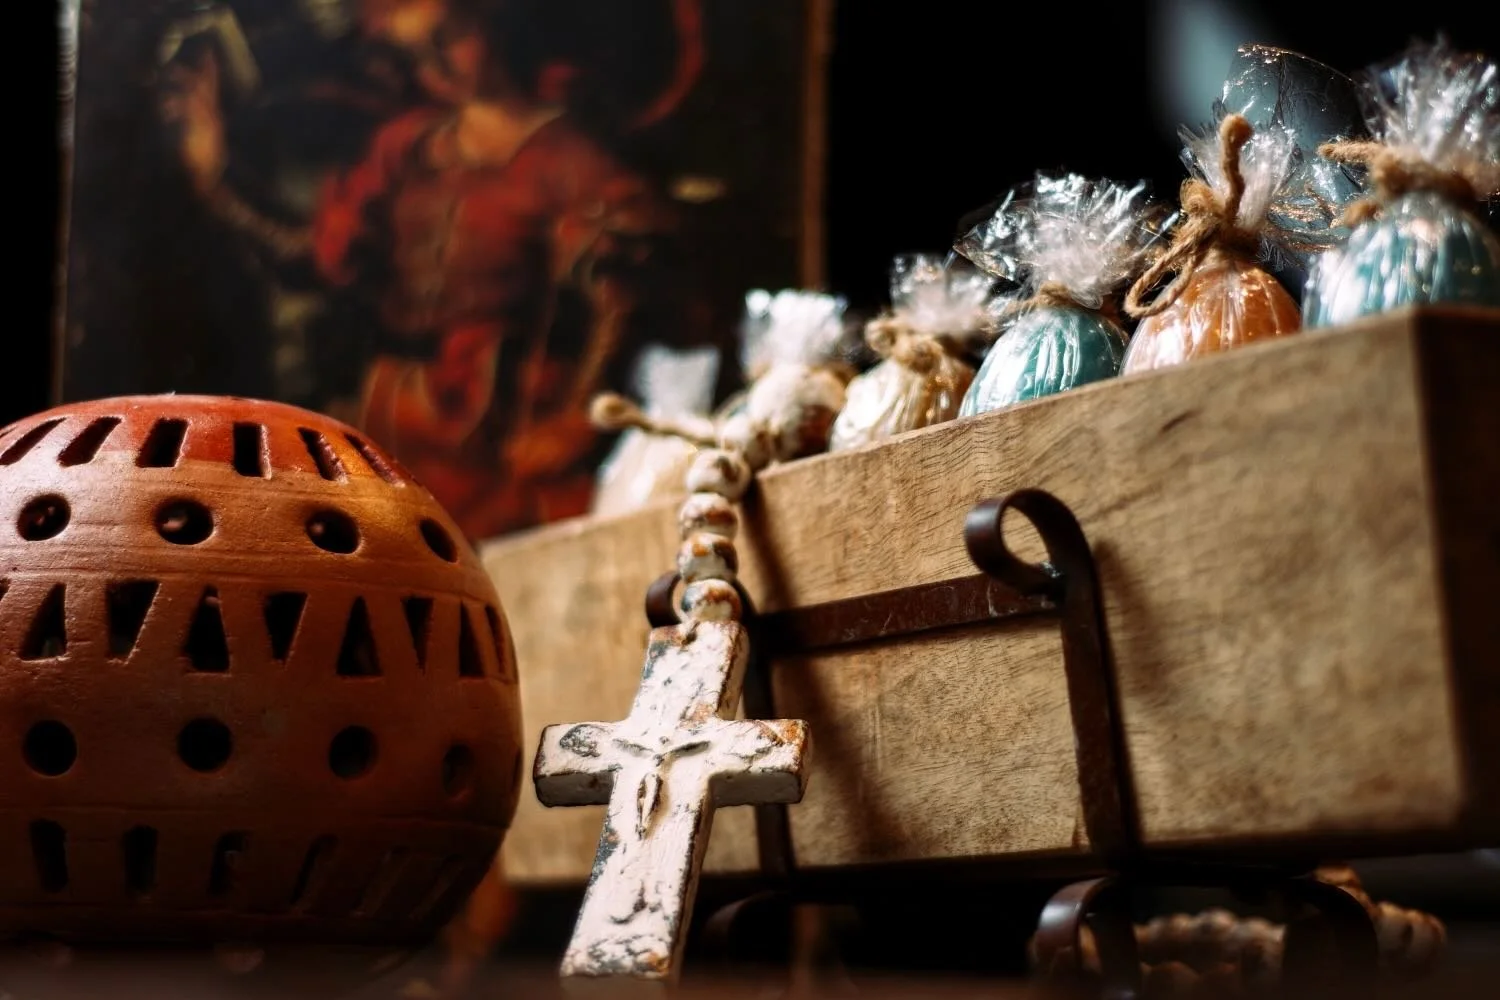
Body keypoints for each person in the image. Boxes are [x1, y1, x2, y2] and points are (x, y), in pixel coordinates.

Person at [160, 0, 702, 539]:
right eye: (417, 52)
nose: (437, 64)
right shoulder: (406, 149)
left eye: (451, 37)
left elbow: (624, 295)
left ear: (498, 25)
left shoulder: (572, 161)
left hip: (494, 437)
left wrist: (578, 418)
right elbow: (317, 262)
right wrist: (219, 178)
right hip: (391, 422)